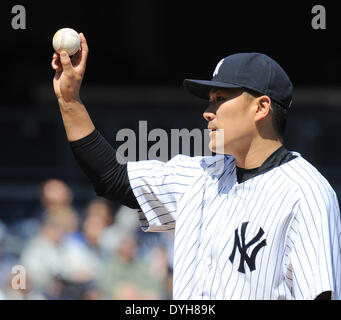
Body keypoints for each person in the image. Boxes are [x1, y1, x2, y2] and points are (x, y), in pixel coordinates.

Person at [51, 34, 341, 300]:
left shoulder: (307, 193)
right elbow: (112, 178)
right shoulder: (200, 175)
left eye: (220, 99)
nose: (207, 112)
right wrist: (69, 100)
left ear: (262, 107)